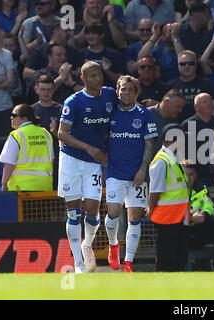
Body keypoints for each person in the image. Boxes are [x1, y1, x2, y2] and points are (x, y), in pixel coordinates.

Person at [58, 61, 118, 274]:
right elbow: (61, 133)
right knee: (73, 212)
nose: (98, 78)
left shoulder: (110, 95)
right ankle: (78, 263)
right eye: (92, 75)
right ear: (83, 79)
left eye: (99, 74)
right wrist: (89, 148)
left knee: (92, 210)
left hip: (93, 162)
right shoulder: (74, 101)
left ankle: (87, 244)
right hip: (72, 160)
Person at [105, 75, 157, 273]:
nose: (126, 93)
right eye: (122, 89)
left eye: (130, 89)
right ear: (117, 91)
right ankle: (113, 244)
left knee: (134, 218)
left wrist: (143, 169)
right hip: (115, 173)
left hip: (137, 174)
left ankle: (128, 262)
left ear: (136, 93)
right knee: (113, 214)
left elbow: (149, 143)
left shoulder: (144, 114)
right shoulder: (110, 113)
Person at [146, 123, 191, 272]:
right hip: (167, 217)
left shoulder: (172, 159)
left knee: (179, 255)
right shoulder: (162, 161)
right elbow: (155, 191)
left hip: (177, 216)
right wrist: (151, 210)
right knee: (167, 256)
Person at [0, 103, 53, 192]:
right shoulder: (45, 133)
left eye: (14, 115)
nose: (11, 118)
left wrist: (4, 184)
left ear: (25, 118)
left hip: (21, 188)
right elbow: (52, 160)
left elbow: (9, 163)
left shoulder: (16, 135)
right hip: (45, 186)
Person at [184, 164, 214, 271]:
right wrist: (190, 218)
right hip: (183, 232)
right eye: (186, 175)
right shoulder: (175, 190)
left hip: (199, 230)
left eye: (191, 175)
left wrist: (204, 214)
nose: (189, 178)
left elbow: (208, 205)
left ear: (195, 176)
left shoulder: (201, 189)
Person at [169, 50, 214, 122]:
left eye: (191, 63)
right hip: (177, 128)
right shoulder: (170, 86)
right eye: (183, 64)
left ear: (196, 65)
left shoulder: (207, 84)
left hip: (203, 128)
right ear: (178, 66)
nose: (187, 66)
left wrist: (208, 123)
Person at [31, 74, 62, 190]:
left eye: (49, 89)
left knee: (57, 191)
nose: (46, 93)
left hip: (58, 157)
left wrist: (55, 133)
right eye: (43, 89)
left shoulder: (62, 109)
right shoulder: (31, 111)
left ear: (54, 90)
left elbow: (70, 138)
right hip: (37, 159)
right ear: (36, 90)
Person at [181, 93, 214, 187]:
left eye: (210, 101)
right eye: (205, 102)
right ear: (196, 107)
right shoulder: (187, 125)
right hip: (195, 175)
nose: (209, 104)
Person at [79, 22, 126, 88]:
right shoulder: (79, 54)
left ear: (101, 35)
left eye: (94, 33)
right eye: (88, 34)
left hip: (108, 93)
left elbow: (122, 82)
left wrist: (108, 71)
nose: (90, 36)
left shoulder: (114, 55)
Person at [0, 20, 15, 153]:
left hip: (4, 107)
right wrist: (1, 79)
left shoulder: (6, 54)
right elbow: (6, 80)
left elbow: (11, 82)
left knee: (5, 148)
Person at [148, 89, 185, 155]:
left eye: (181, 107)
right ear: (167, 101)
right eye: (177, 107)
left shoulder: (174, 122)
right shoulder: (145, 116)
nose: (180, 110)